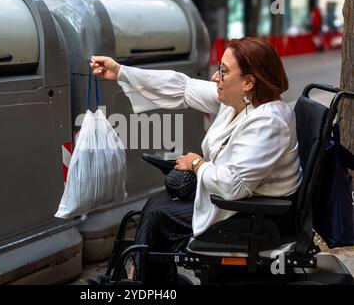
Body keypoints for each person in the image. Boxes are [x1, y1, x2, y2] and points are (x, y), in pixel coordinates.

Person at [90, 37, 302, 284]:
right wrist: (121, 72)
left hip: (258, 215)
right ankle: (145, 279)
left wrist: (196, 164)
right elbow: (183, 87)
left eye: (223, 71)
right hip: (240, 204)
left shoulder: (269, 122)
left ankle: (142, 283)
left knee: (159, 213)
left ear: (248, 82)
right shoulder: (239, 102)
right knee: (157, 204)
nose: (215, 77)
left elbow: (233, 185)